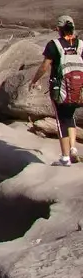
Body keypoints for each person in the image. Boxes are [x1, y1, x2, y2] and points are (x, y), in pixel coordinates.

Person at [29, 15, 83, 166]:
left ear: (59, 29)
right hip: (78, 89)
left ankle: (65, 158)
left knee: (61, 122)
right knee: (70, 117)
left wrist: (35, 80)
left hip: (60, 89)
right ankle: (73, 149)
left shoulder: (54, 45)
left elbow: (45, 66)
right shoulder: (80, 45)